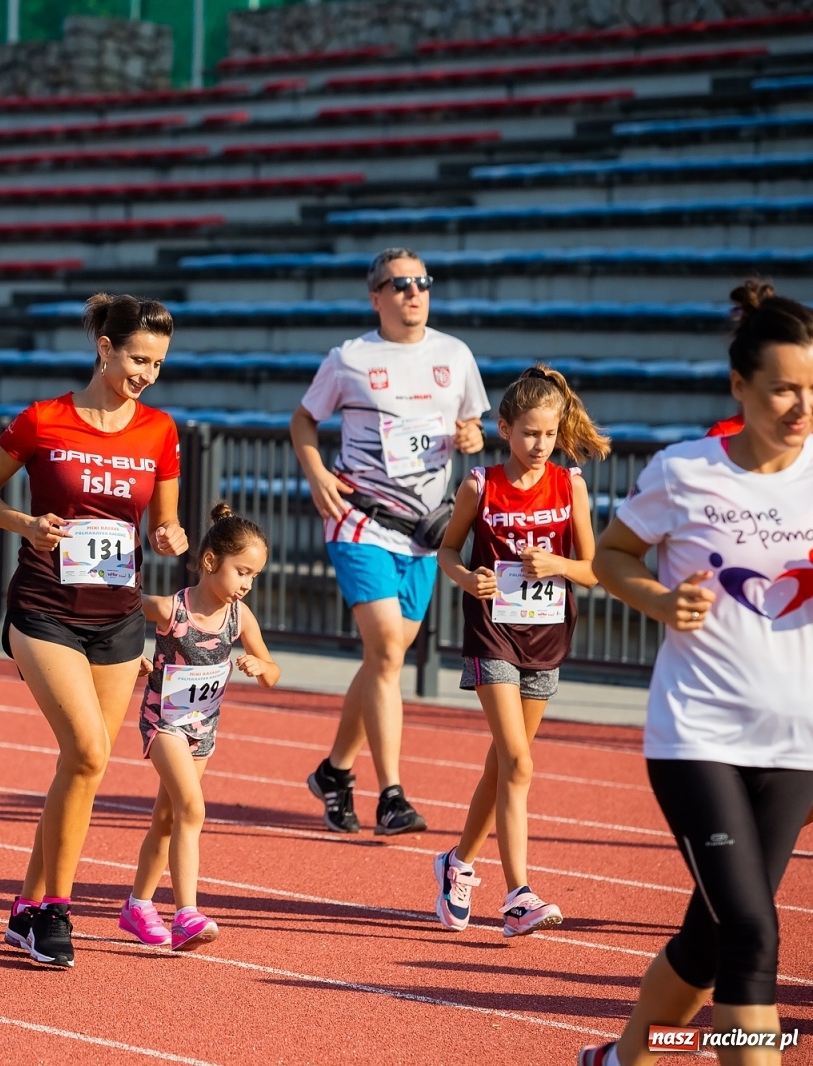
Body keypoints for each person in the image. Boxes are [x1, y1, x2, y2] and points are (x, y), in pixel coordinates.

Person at [580, 281, 813, 1066]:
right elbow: (610, 556)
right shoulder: (685, 473)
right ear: (739, 386)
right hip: (698, 736)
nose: (800, 406)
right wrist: (656, 597)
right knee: (753, 934)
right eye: (783, 388)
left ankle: (625, 1060)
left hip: (797, 748)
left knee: (709, 938)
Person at [0, 293, 188, 968]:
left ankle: (27, 908)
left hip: (117, 617)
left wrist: (172, 537)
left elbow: (164, 529)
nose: (145, 374)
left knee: (82, 767)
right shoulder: (43, 419)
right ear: (105, 348)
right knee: (88, 751)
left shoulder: (159, 431)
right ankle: (57, 909)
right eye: (138, 359)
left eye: (158, 364)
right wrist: (27, 525)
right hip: (44, 608)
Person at [291, 247, 489, 836]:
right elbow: (304, 420)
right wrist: (316, 473)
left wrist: (472, 438)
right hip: (360, 518)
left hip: (425, 531)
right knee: (384, 652)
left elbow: (473, 425)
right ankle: (393, 795)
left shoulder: (454, 355)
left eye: (422, 282)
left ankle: (334, 771)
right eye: (399, 284)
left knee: (386, 658)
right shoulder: (349, 358)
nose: (413, 292)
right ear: (375, 296)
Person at [432, 366, 609, 939]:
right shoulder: (479, 485)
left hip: (546, 636)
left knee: (505, 762)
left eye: (549, 435)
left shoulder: (570, 485)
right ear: (504, 429)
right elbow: (447, 552)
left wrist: (558, 565)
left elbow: (596, 571)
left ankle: (457, 864)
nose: (540, 446)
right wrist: (467, 579)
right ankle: (517, 893)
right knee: (520, 762)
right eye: (529, 434)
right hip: (493, 633)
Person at [118, 503, 280, 953]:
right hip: (163, 722)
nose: (247, 584)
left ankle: (137, 905)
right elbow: (122, 614)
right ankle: (186, 913)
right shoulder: (172, 610)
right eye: (241, 571)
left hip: (203, 729)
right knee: (192, 808)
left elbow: (273, 673)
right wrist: (134, 660)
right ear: (210, 562)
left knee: (166, 820)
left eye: (254, 576)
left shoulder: (239, 618)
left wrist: (258, 663)